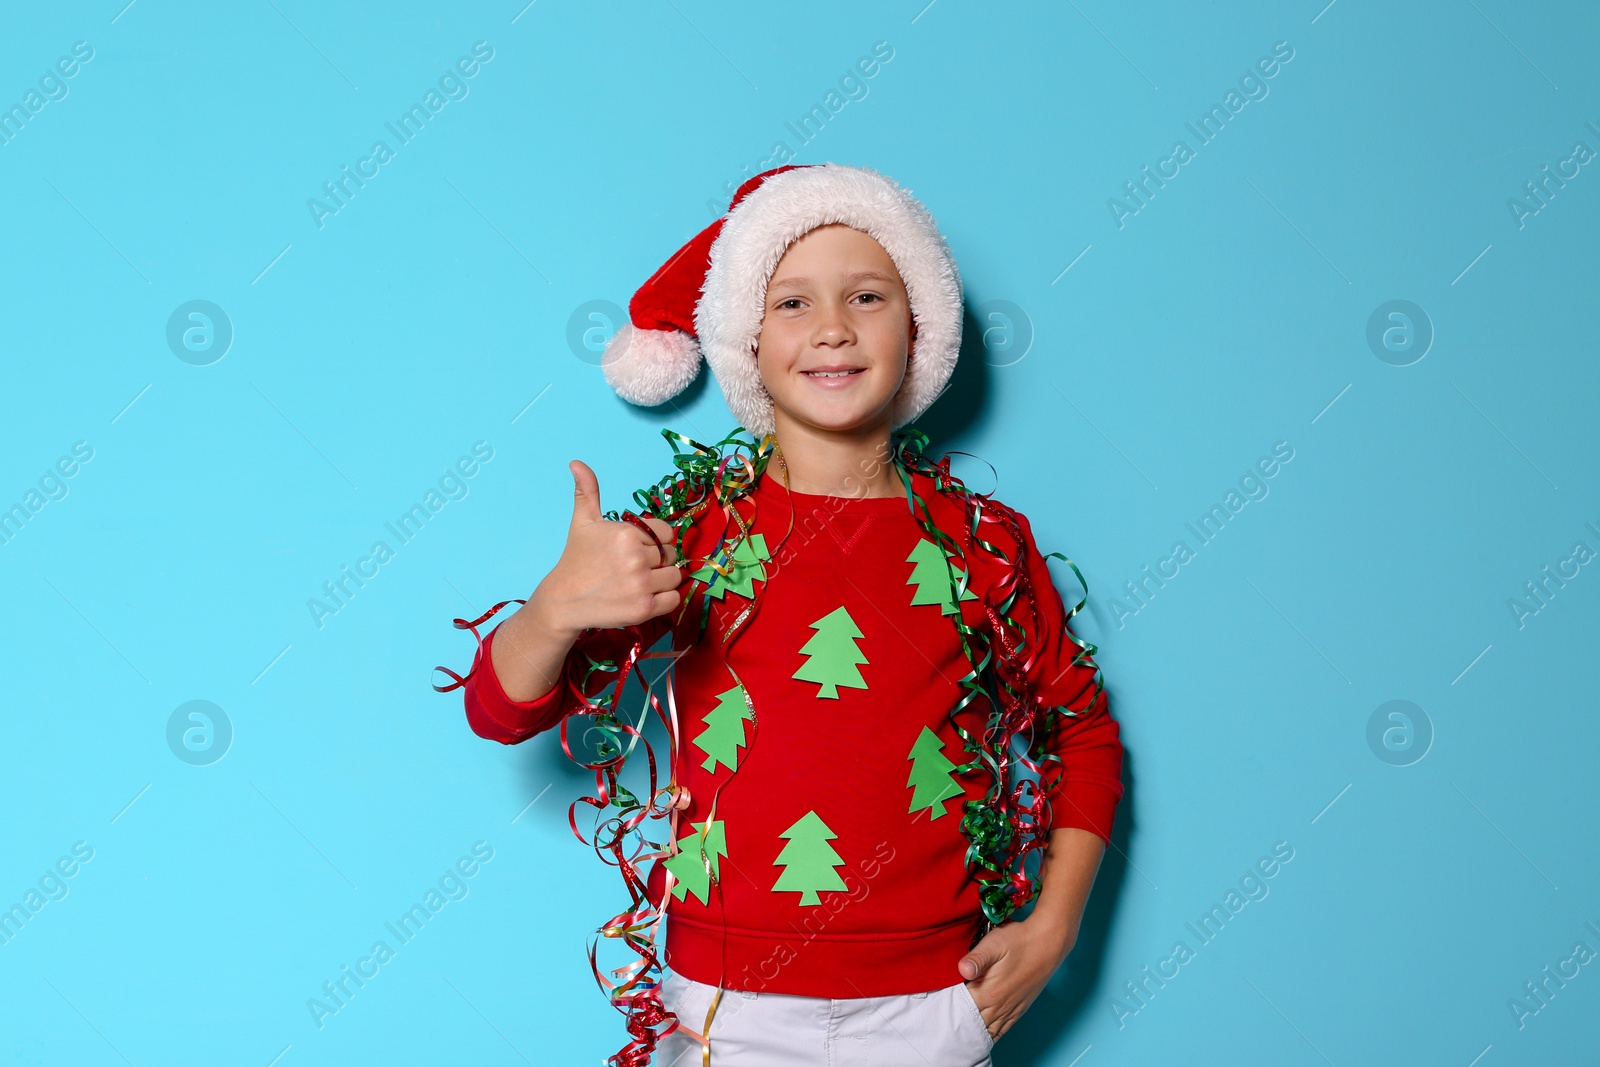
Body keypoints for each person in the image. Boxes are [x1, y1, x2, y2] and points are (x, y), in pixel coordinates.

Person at [456, 163, 1124, 1066]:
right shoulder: (696, 533)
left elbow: (1078, 727)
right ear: (746, 339)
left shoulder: (982, 541)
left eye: (866, 295)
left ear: (920, 323)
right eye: (792, 304)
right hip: (727, 1011)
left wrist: (1057, 927)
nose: (835, 329)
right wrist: (554, 609)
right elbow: (500, 712)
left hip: (933, 1004)